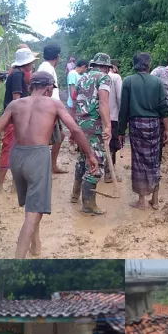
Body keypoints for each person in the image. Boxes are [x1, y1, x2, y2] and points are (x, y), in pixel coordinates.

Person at [0, 72, 98, 258]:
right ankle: (18, 260)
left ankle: (35, 245)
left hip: (17, 156)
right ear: (47, 88)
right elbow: (75, 129)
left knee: (31, 205)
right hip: (38, 156)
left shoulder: (15, 105)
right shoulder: (53, 104)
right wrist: (90, 154)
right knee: (34, 212)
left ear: (31, 86)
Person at [119, 52, 168, 210]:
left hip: (136, 124)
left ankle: (141, 200)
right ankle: (155, 199)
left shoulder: (128, 81)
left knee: (139, 161)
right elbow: (163, 108)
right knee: (154, 160)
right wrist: (167, 129)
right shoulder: (157, 82)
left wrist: (120, 131)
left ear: (134, 65)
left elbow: (124, 109)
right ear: (149, 65)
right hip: (154, 125)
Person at [71, 53, 112, 215]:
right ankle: (88, 204)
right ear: (106, 67)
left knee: (83, 158)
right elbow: (103, 103)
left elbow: (74, 103)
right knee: (96, 162)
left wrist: (73, 127)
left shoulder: (82, 78)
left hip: (81, 125)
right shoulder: (103, 78)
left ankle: (75, 194)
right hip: (94, 126)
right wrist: (108, 126)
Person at [0, 47, 38, 193]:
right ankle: (0, 185)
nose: (32, 65)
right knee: (9, 150)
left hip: (15, 119)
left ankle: (14, 186)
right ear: (27, 63)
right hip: (15, 120)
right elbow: (16, 101)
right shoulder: (18, 76)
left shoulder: (17, 74)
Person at [37, 44, 67, 174]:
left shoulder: (43, 67)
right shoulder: (48, 69)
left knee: (59, 135)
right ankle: (49, 166)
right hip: (49, 108)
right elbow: (45, 91)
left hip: (47, 107)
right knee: (51, 137)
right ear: (58, 56)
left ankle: (51, 165)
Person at [105, 59, 123, 183]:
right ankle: (108, 174)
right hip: (112, 116)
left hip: (97, 118)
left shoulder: (93, 76)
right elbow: (120, 97)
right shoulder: (116, 78)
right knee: (111, 145)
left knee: (100, 144)